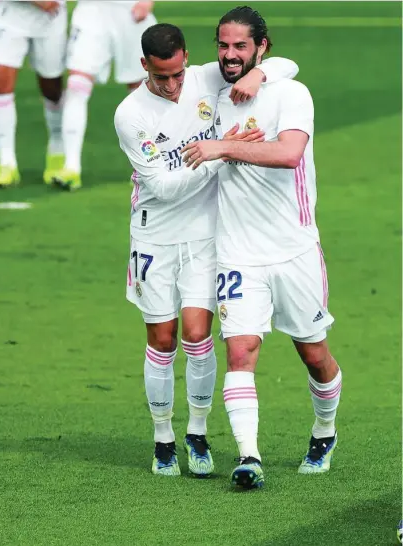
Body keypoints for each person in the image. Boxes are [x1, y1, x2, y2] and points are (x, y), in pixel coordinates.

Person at [114, 23, 298, 477]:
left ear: (186, 60)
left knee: (197, 335)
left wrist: (261, 75)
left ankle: (197, 434)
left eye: (177, 74)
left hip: (206, 235)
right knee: (162, 338)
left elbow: (285, 64)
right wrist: (223, 154)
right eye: (162, 78)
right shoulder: (131, 114)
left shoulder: (204, 77)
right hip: (154, 236)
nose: (173, 85)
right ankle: (162, 438)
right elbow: (162, 187)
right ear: (144, 67)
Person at [182, 6, 342, 489]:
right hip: (238, 252)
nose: (230, 56)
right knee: (242, 350)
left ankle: (324, 430)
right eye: (223, 45)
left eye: (241, 47)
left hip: (294, 249)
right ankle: (249, 457)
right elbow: (166, 80)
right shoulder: (213, 93)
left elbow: (289, 153)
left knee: (314, 354)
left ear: (262, 48)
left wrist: (224, 147)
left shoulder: (291, 93)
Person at [52, 1, 157, 191]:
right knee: (76, 86)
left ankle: (145, 168)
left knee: (141, 91)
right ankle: (71, 167)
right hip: (91, 10)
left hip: (131, 10)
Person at [0, 0, 67, 187]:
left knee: (52, 88)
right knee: (0, 83)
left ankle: (57, 151)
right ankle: (6, 163)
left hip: (50, 18)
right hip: (9, 15)